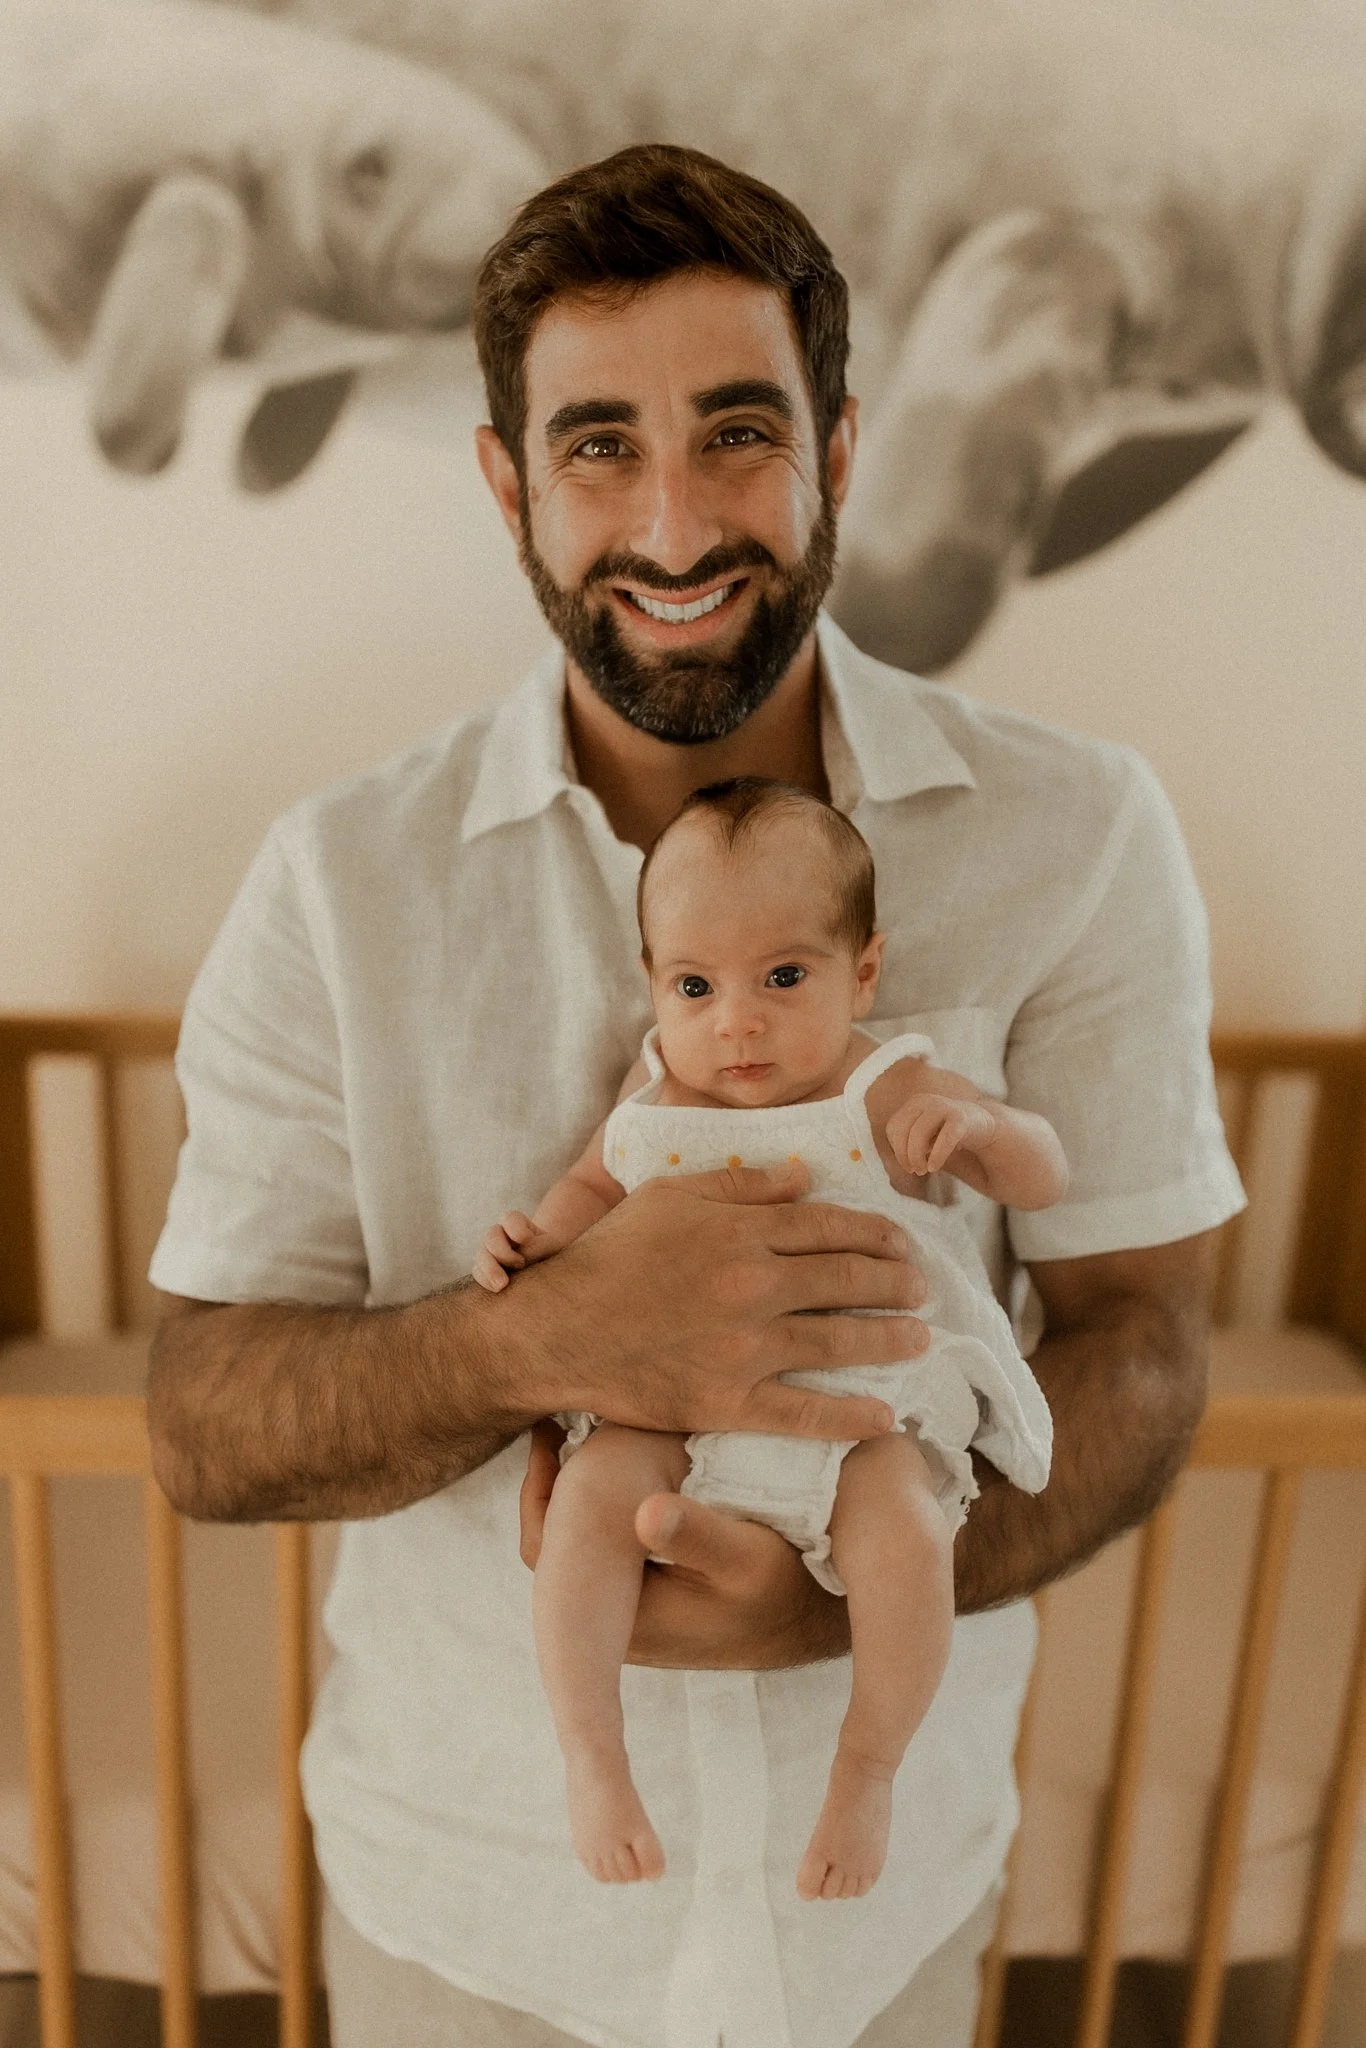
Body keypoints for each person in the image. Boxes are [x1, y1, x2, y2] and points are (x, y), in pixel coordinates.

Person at [146, 143, 1244, 2048]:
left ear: (836, 443)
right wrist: (541, 1337)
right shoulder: (337, 883)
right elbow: (202, 1417)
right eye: (595, 447)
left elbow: (1144, 1338)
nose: (672, 525)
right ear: (504, 482)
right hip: (472, 1916)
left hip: (884, 1918)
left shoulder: (1077, 834)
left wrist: (852, 1582)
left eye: (738, 433)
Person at [474, 776, 1065, 1904]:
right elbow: (593, 1182)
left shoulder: (877, 1079)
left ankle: (868, 1763)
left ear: (865, 973)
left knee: (901, 1528)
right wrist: (532, 1236)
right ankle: (594, 1755)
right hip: (672, 1401)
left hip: (854, 1392)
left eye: (783, 976)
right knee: (592, 1500)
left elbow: (1044, 1167)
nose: (735, 1019)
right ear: (653, 984)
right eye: (695, 984)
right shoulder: (654, 1087)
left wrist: (982, 1131)